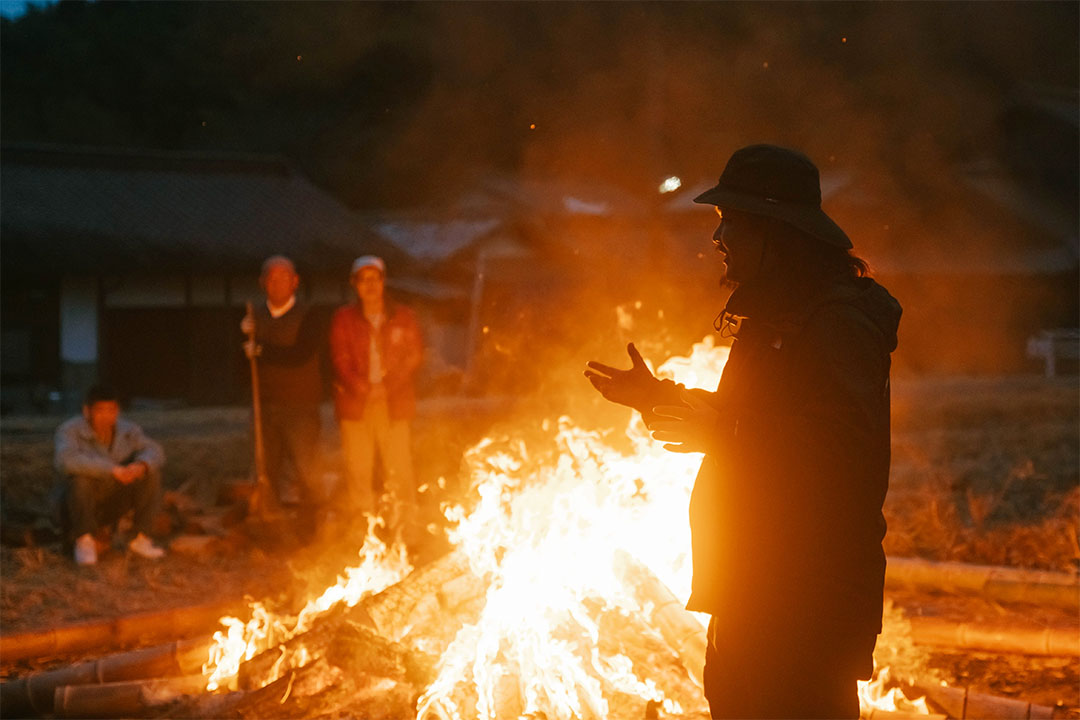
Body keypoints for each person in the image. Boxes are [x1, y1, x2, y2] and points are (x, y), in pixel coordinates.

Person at [586, 144, 901, 719]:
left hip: (802, 606)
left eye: (730, 222)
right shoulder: (777, 314)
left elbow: (842, 453)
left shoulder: (837, 324)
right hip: (747, 591)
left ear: (776, 232)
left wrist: (726, 426)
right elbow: (755, 421)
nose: (718, 239)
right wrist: (659, 398)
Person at [329, 256, 423, 534]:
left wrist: (386, 387)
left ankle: (406, 531)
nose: (370, 285)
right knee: (359, 472)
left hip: (394, 404)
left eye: (375, 278)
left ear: (383, 282)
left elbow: (413, 356)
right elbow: (340, 358)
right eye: (363, 279)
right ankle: (365, 533)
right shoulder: (343, 318)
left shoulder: (403, 316)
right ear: (354, 284)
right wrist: (363, 388)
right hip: (356, 405)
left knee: (400, 470)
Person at [241, 255, 328, 520]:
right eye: (272, 278)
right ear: (263, 282)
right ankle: (272, 526)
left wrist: (260, 349)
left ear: (295, 282)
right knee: (267, 469)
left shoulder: (309, 315)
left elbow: (300, 354)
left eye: (284, 277)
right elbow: (243, 361)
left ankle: (311, 529)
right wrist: (245, 339)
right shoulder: (252, 316)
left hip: (300, 406)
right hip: (266, 405)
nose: (277, 283)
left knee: (306, 469)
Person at [55, 384, 166, 566]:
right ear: (87, 411)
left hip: (113, 499)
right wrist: (112, 470)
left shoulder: (128, 430)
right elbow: (65, 461)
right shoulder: (69, 430)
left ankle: (140, 538)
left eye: (111, 410)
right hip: (77, 503)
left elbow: (154, 450)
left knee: (151, 473)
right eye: (100, 411)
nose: (107, 417)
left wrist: (141, 465)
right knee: (79, 481)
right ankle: (84, 541)